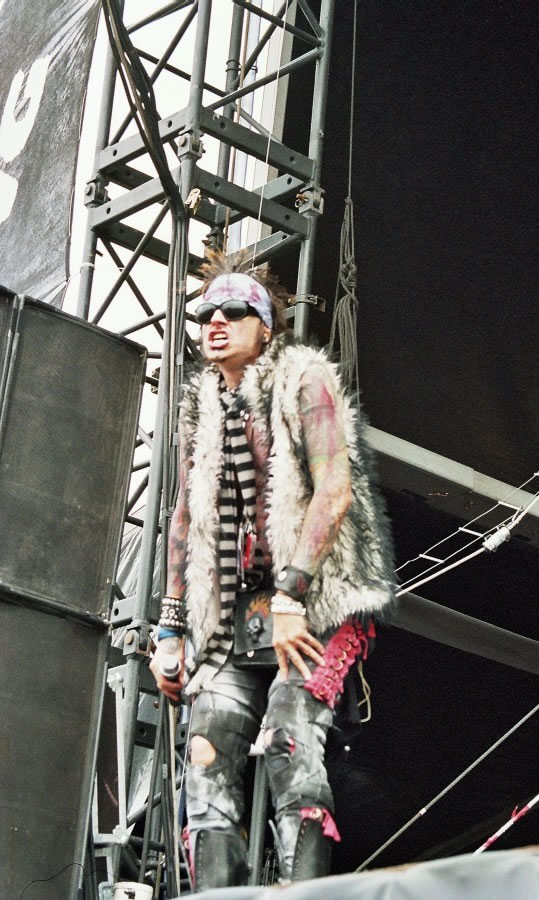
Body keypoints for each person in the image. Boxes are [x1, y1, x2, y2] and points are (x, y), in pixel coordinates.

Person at [150, 249, 394, 890]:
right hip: (235, 615)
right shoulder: (200, 405)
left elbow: (334, 489)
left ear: (265, 326)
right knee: (206, 752)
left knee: (290, 739)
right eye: (206, 312)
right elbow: (186, 516)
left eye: (233, 310)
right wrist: (170, 629)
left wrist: (291, 594)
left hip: (315, 600)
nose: (215, 321)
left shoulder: (303, 379)